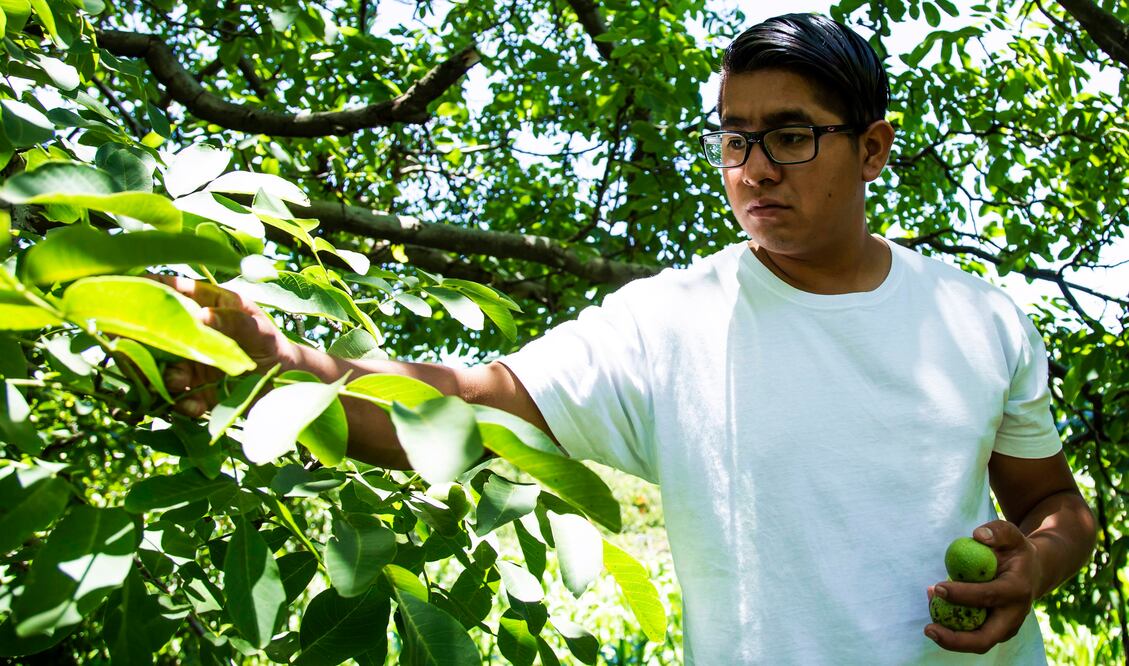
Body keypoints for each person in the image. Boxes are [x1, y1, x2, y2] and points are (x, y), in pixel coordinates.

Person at [160, 13, 1096, 665]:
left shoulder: (978, 318)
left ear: (874, 148)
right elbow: (467, 408)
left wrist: (1037, 565)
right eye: (733, 138)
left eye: (790, 136)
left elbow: (1051, 499)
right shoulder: (670, 322)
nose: (754, 169)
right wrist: (278, 365)